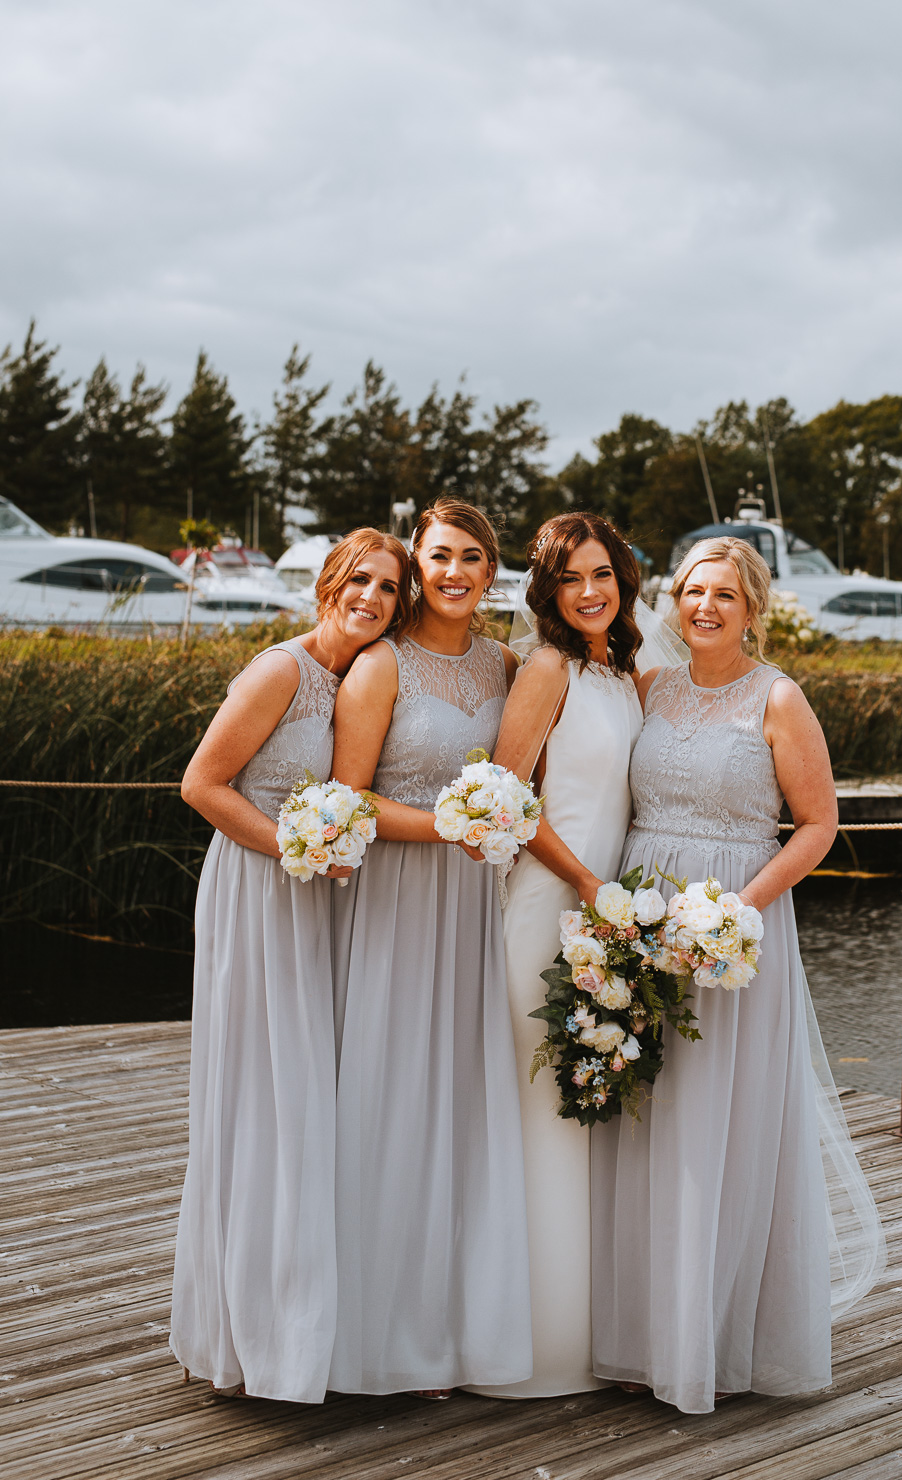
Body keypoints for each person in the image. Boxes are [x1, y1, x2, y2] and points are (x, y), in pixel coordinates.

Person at [591, 537, 885, 1414]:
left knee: (725, 1122)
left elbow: (817, 825)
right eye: (690, 591)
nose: (702, 607)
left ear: (752, 606)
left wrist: (737, 911)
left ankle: (718, 1334)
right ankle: (643, 1333)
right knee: (649, 1116)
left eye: (722, 593)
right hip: (642, 916)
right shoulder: (652, 687)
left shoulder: (779, 698)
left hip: (732, 930)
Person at [171, 528, 408, 1402]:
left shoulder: (360, 680)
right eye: (359, 580)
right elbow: (201, 784)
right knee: (262, 1097)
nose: (371, 598)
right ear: (327, 585)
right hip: (256, 891)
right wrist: (291, 848)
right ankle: (248, 1335)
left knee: (304, 1097)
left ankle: (300, 1324)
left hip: (311, 898)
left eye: (387, 587)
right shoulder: (282, 669)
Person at [328, 497, 532, 1399]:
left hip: (472, 904)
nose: (455, 573)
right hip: (396, 895)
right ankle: (374, 1339)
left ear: (493, 574)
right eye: (440, 556)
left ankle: (445, 1330)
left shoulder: (506, 664)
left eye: (472, 559)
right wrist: (451, 826)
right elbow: (348, 801)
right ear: (418, 562)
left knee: (459, 1104)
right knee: (389, 1096)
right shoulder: (380, 665)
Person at [466, 512, 645, 1399]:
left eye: (601, 574)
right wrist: (586, 884)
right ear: (547, 589)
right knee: (541, 1110)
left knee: (585, 1110)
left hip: (607, 911)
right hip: (549, 906)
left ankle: (590, 1328)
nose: (589, 591)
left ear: (621, 579)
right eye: (571, 578)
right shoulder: (544, 670)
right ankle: (528, 1346)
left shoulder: (617, 671)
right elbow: (506, 801)